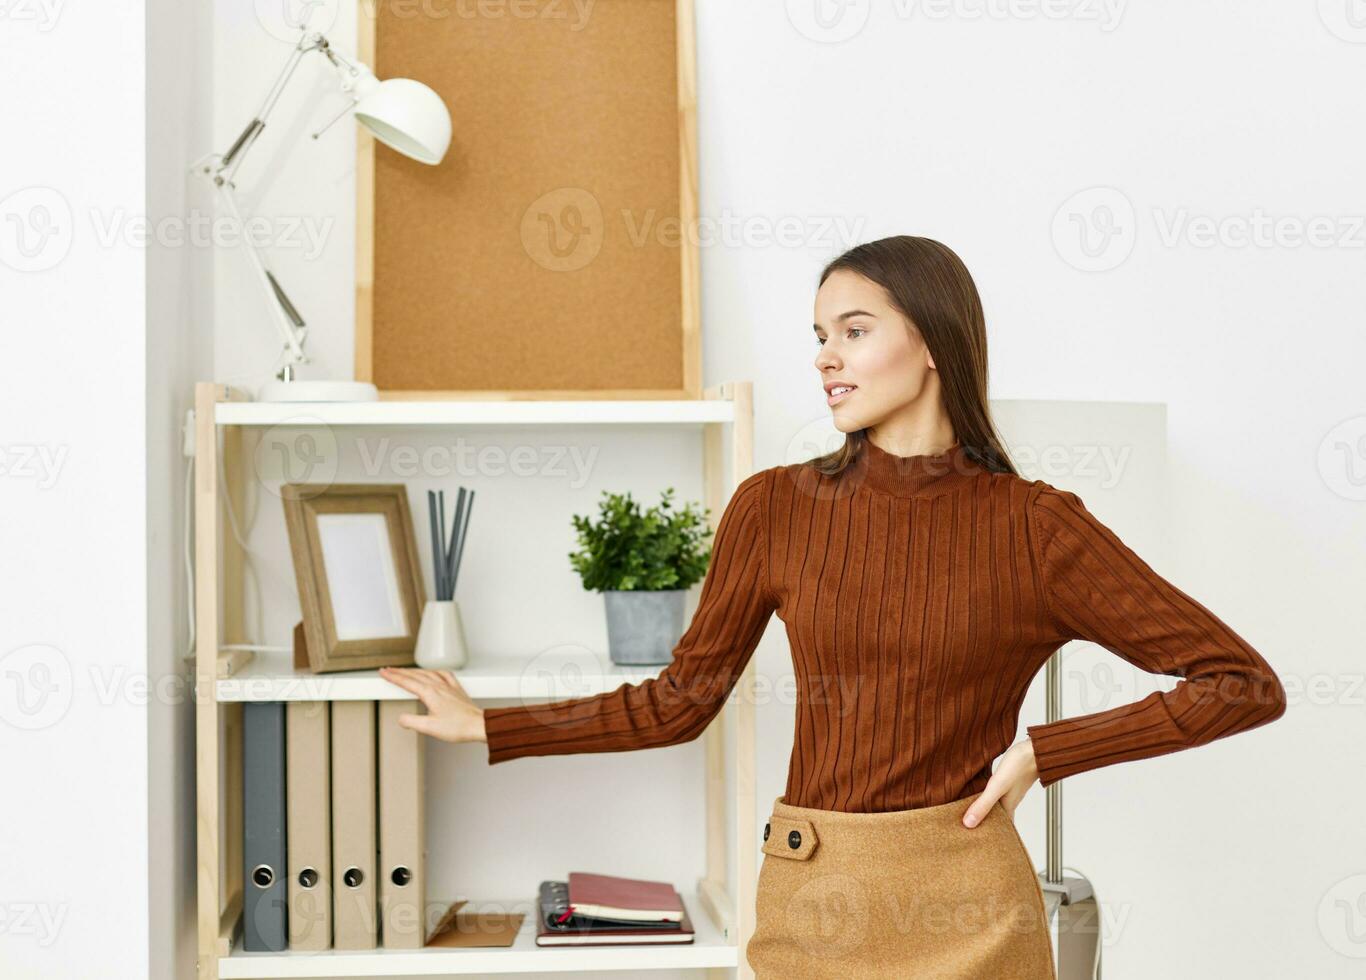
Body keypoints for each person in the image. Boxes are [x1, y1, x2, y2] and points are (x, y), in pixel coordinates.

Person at [376, 235, 1288, 978]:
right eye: (819, 334)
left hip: (970, 905)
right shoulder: (774, 507)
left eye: (853, 331)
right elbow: (680, 702)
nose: (824, 356)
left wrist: (1047, 753)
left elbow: (1241, 682)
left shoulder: (1035, 528)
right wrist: (489, 727)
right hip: (815, 899)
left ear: (931, 341)